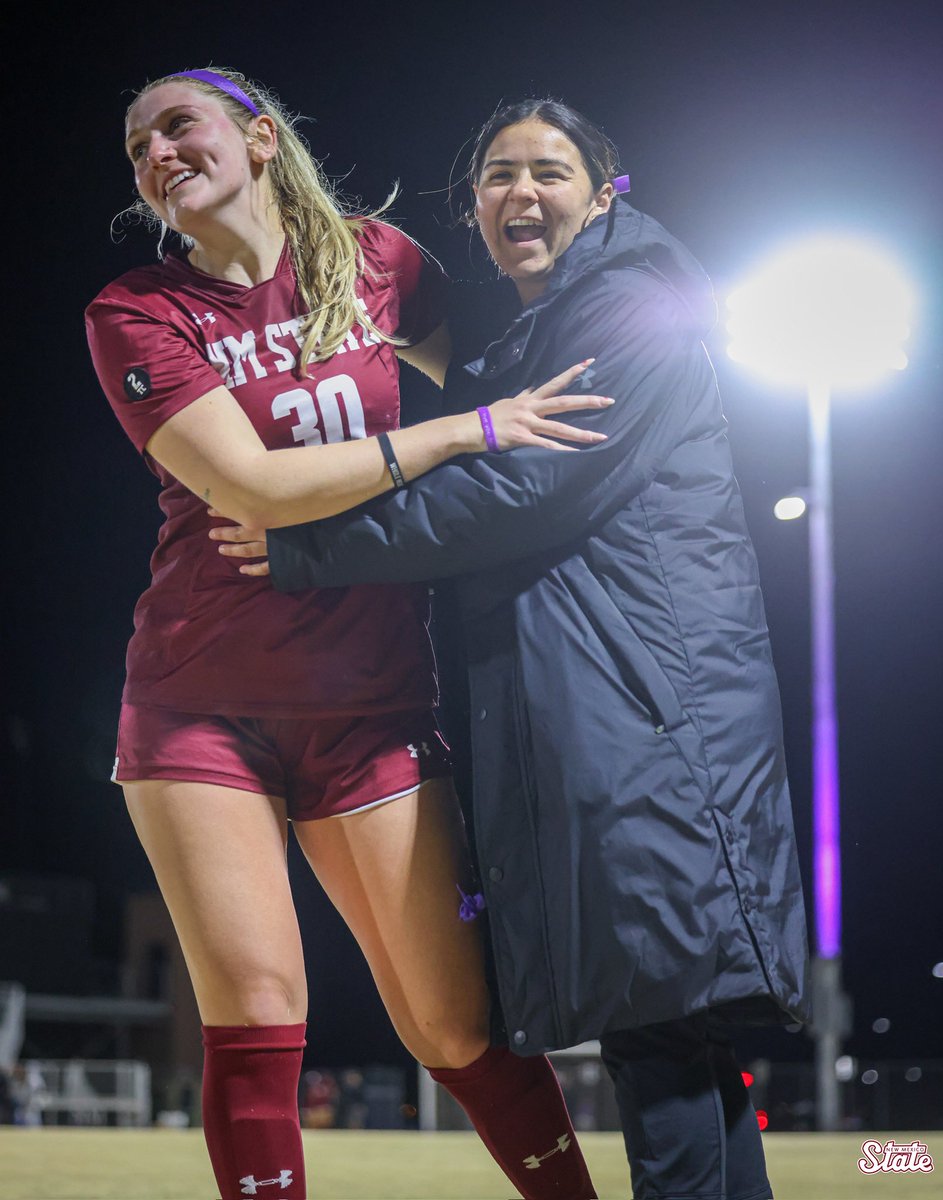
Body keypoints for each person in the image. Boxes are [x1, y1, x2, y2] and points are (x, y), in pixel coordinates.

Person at [226, 99, 812, 1200]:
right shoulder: (531, 339)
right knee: (675, 1044)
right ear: (474, 208)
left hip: (648, 723)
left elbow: (514, 495)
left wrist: (307, 546)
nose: (520, 194)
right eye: (497, 176)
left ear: (605, 193)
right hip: (601, 715)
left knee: (663, 1031)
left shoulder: (635, 309)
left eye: (549, 171)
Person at [85, 70, 609, 1200]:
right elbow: (252, 488)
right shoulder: (136, 310)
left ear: (261, 139)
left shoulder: (379, 264)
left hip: (374, 698)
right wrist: (457, 436)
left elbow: (505, 369)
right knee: (261, 1012)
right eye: (138, 147)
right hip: (199, 702)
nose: (158, 154)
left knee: (454, 1026)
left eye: (180, 126)